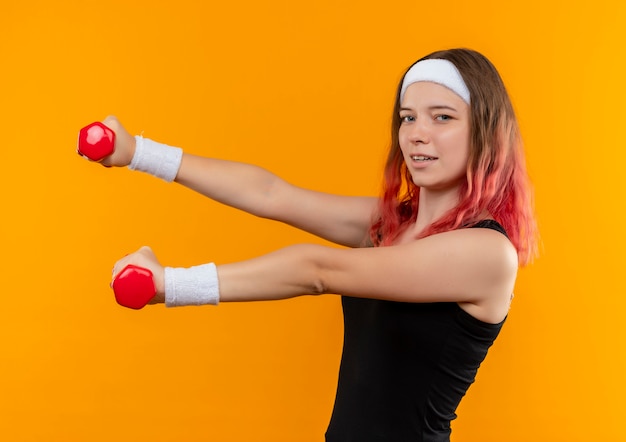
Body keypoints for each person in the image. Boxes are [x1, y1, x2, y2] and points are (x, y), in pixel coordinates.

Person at [84, 48, 537, 441]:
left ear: (484, 130)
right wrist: (138, 153)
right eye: (407, 117)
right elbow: (270, 194)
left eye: (442, 117)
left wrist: (171, 286)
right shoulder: (391, 225)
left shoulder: (486, 253)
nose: (417, 133)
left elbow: (317, 270)